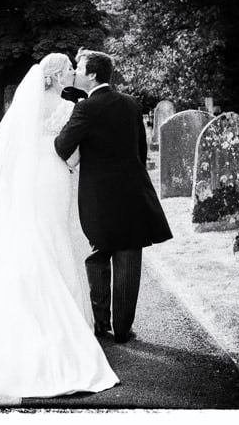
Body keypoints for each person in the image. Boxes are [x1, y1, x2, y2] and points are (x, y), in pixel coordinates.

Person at [0, 53, 119, 406]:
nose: (73, 73)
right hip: (55, 177)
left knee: (36, 238)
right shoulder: (67, 106)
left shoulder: (27, 108)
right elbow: (67, 149)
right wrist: (77, 164)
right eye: (69, 70)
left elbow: (17, 152)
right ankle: (63, 324)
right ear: (57, 76)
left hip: (31, 181)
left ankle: (22, 326)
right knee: (55, 240)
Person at [55, 49, 173, 344]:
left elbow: (62, 147)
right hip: (133, 195)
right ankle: (123, 329)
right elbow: (141, 152)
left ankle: (100, 323)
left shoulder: (85, 108)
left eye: (79, 67)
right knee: (129, 258)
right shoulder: (131, 104)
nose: (75, 72)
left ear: (92, 74)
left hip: (98, 200)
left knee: (98, 254)